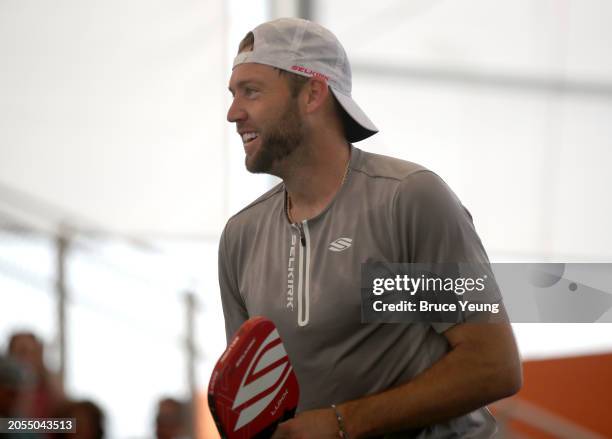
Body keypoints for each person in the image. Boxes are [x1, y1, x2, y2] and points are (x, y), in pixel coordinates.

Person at [219, 17, 522, 438]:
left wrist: (342, 424)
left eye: (251, 91)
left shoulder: (406, 200)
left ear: (312, 93)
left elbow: (494, 367)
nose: (233, 113)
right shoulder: (241, 237)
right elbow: (253, 400)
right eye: (234, 94)